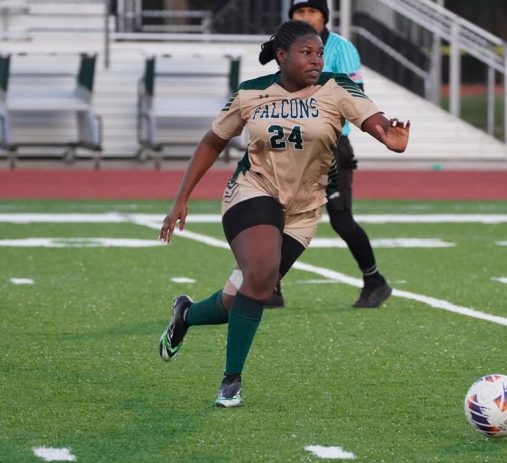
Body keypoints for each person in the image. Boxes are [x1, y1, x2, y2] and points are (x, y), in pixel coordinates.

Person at [158, 20, 410, 408]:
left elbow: (372, 120)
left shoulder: (337, 87)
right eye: (306, 53)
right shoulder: (250, 93)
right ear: (282, 56)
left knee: (241, 296)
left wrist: (389, 136)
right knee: (260, 280)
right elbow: (211, 142)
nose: (315, 59)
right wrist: (181, 198)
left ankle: (185, 315)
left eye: (319, 53)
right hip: (252, 190)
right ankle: (231, 380)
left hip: (304, 210)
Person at [265, 0, 392, 309]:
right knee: (278, 214)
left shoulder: (341, 47)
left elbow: (354, 94)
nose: (306, 18)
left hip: (331, 145)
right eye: (300, 13)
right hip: (294, 143)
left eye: (312, 12)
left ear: (324, 16)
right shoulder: (285, 47)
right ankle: (271, 288)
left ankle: (375, 280)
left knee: (341, 219)